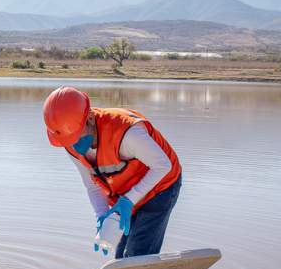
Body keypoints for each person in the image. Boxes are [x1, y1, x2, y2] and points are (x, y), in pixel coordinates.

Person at [42, 86, 181, 258]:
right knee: (121, 258)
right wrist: (102, 216)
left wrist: (129, 200)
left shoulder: (127, 133)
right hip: (125, 194)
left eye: (76, 136)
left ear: (91, 118)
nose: (74, 144)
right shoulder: (69, 142)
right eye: (68, 140)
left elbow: (162, 166)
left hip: (161, 185)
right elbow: (92, 186)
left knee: (137, 256)